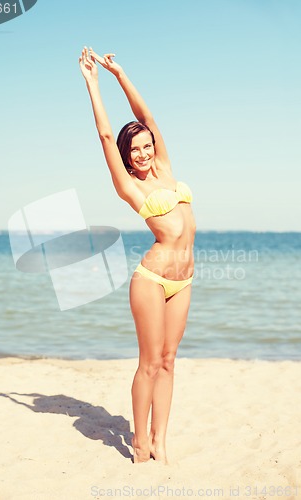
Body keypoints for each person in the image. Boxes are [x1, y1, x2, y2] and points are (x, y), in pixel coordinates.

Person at [79, 47, 196, 464]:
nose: (144, 153)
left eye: (147, 146)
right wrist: (93, 83)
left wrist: (119, 74)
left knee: (168, 361)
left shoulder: (165, 168)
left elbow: (147, 117)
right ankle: (140, 443)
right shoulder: (130, 186)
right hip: (151, 280)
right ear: (128, 158)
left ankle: (160, 441)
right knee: (149, 363)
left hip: (183, 281)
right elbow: (107, 136)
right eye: (137, 150)